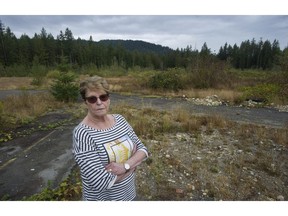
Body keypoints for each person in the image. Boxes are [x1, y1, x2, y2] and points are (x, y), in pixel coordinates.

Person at [72, 76, 149, 201]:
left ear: (109, 98)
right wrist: (133, 166)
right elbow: (100, 182)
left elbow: (143, 150)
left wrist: (125, 166)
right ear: (85, 102)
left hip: (129, 195)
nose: (99, 102)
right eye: (92, 99)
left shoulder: (120, 119)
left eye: (103, 97)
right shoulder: (83, 134)